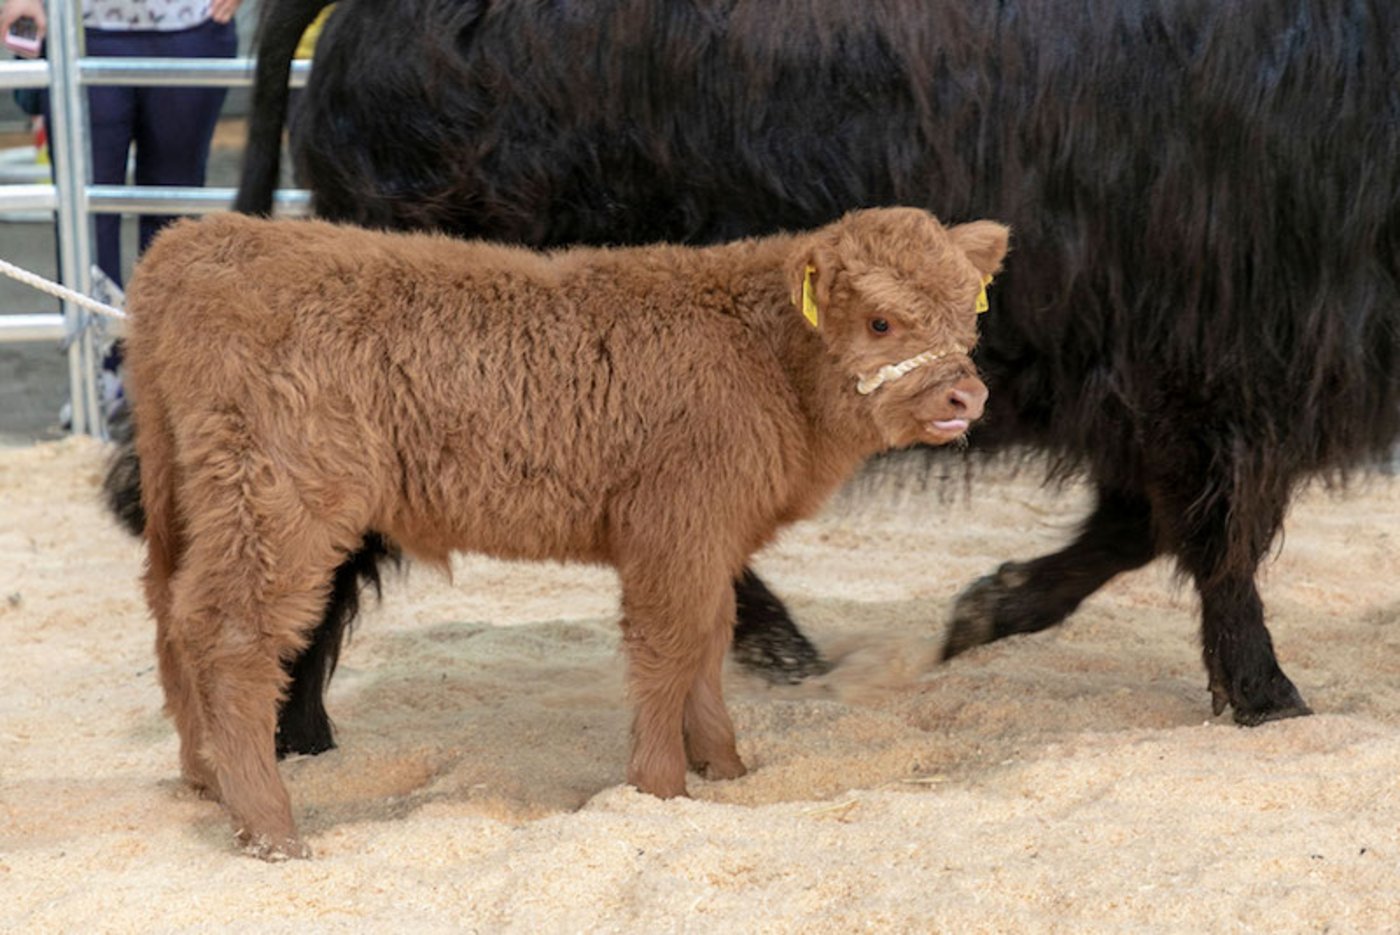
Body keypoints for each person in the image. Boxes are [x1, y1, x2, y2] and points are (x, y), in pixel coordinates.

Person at [1, 0, 241, 287]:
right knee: (84, 215)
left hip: (192, 23)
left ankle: (163, 328)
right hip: (80, 28)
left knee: (174, 209)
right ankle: (91, 328)